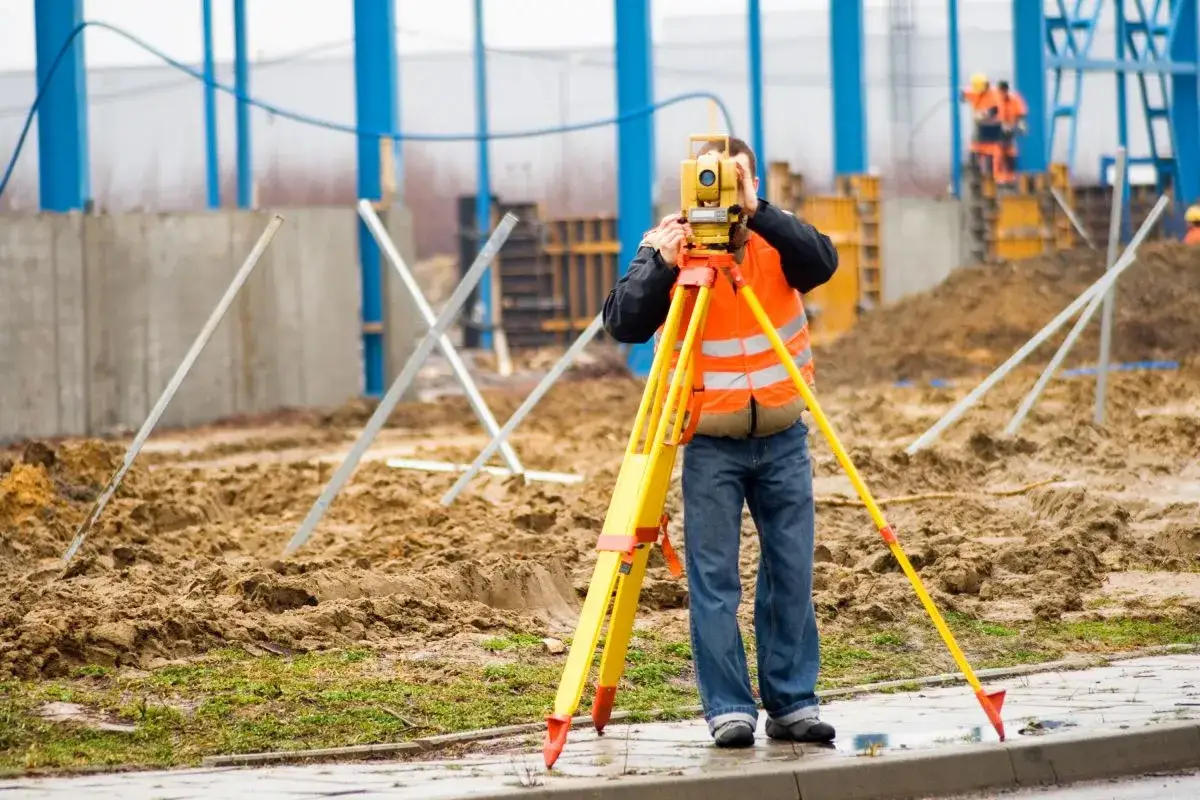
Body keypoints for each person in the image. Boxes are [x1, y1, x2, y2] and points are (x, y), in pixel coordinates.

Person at [601, 137, 840, 749]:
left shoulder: (775, 239)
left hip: (784, 436)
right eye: (710, 182)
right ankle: (729, 708)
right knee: (714, 580)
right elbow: (622, 321)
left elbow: (823, 264)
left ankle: (793, 702)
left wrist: (760, 212)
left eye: (734, 182)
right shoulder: (673, 249)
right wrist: (659, 258)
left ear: (753, 184)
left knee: (791, 572)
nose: (721, 196)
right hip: (711, 443)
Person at [994, 80, 1028, 181]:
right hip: (998, 129)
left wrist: (1019, 125)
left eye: (1004, 91)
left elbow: (1021, 114)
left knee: (1010, 152)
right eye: (1000, 91)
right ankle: (999, 176)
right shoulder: (996, 100)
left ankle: (1011, 176)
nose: (1002, 94)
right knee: (998, 151)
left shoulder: (1015, 99)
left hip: (1010, 128)